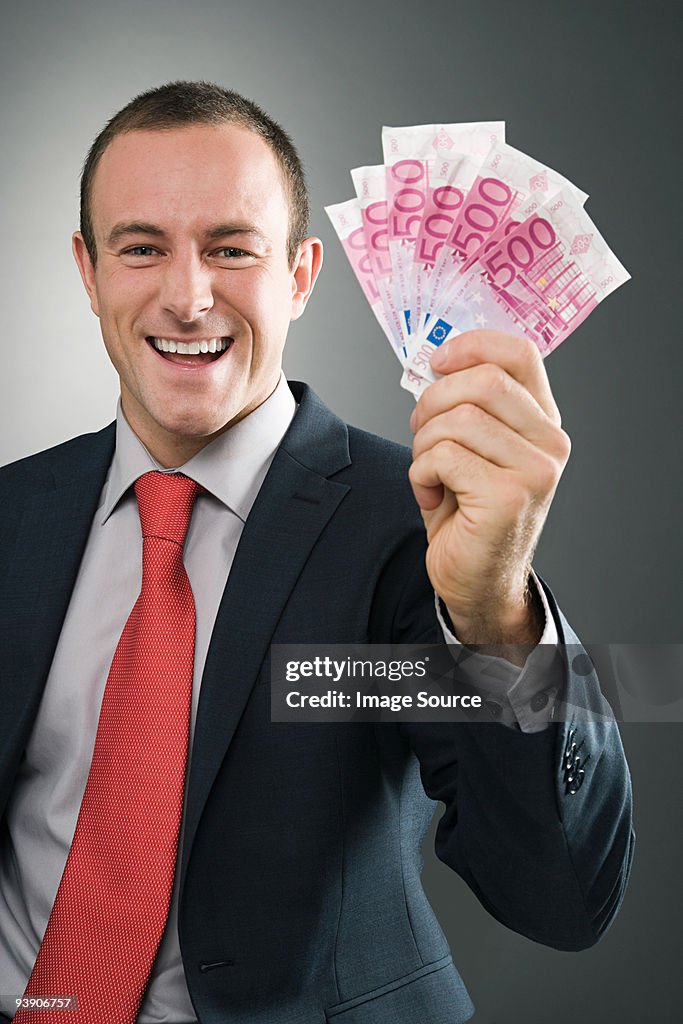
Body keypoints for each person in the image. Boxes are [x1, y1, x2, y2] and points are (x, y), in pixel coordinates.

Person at [0, 81, 634, 1024]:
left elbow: (555, 897)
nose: (186, 296)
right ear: (88, 273)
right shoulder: (14, 512)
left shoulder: (413, 528)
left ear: (300, 273)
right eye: (141, 249)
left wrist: (494, 608)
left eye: (231, 249)